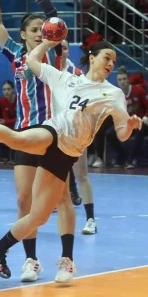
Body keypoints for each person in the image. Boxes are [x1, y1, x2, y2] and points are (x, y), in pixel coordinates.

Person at [0, 39, 142, 280]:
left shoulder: (113, 94)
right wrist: (48, 43)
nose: (111, 64)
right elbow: (31, 60)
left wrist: (130, 126)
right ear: (92, 57)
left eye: (114, 60)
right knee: (19, 139)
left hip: (67, 154)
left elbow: (122, 134)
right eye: (107, 57)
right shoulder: (66, 79)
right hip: (53, 132)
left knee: (38, 216)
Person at [0, 0, 78, 283]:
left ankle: (66, 260)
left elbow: (53, 13)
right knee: (24, 200)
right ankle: (31, 260)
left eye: (43, 29)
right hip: (26, 134)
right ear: (24, 34)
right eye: (35, 30)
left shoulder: (54, 52)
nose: (41, 32)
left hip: (55, 134)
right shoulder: (15, 53)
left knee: (62, 197)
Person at [60, 39, 97, 235]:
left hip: (75, 130)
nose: (61, 50)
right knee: (55, 176)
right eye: (58, 47)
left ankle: (90, 219)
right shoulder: (46, 70)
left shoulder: (77, 75)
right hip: (53, 130)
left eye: (65, 47)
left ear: (68, 51)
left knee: (81, 174)